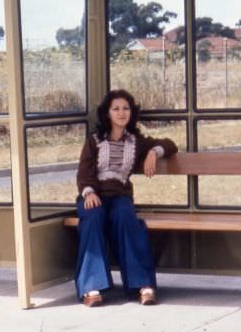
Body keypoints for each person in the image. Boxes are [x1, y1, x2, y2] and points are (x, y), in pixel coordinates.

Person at [75, 89, 177, 306]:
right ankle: (91, 287)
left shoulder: (135, 142)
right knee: (92, 218)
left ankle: (142, 284)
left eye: (126, 108)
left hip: (120, 197)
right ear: (107, 113)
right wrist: (89, 192)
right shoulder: (94, 141)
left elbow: (170, 144)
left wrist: (153, 152)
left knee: (127, 218)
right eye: (116, 109)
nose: (122, 113)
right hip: (94, 196)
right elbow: (84, 173)